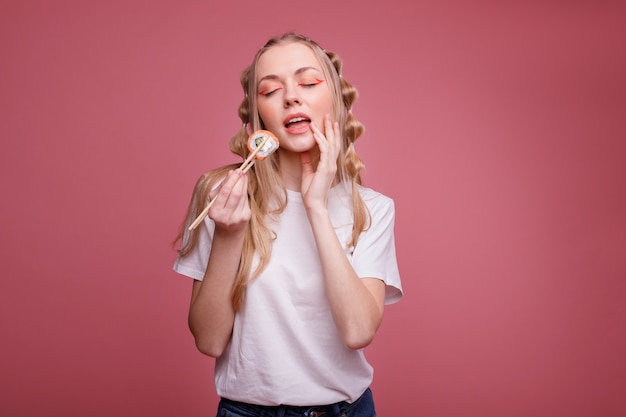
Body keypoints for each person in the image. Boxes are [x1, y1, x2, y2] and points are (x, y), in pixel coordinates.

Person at [173, 32, 403, 417]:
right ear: (259, 115)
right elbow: (209, 340)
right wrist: (230, 236)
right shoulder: (221, 194)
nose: (291, 97)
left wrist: (316, 208)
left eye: (308, 83)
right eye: (270, 90)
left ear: (335, 98)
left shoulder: (372, 209)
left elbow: (358, 331)